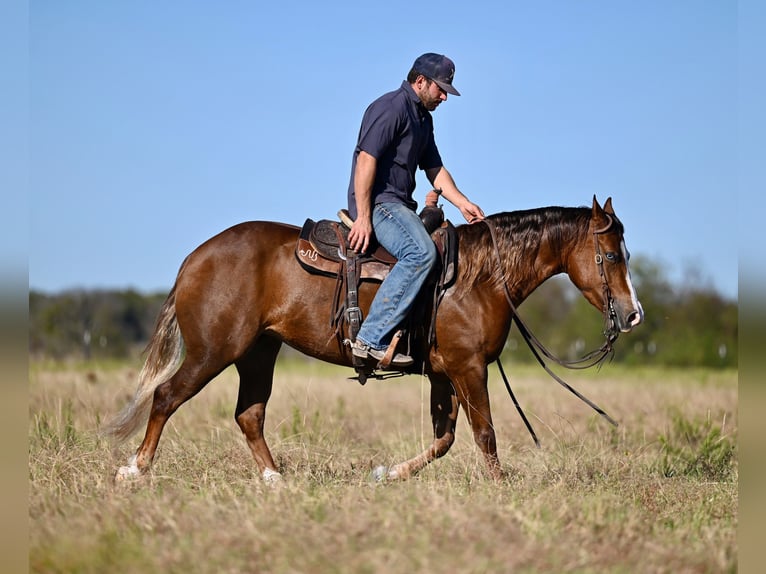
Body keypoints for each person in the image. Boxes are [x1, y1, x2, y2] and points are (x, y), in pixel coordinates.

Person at [347, 52, 485, 368]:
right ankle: (369, 338)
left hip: (400, 207)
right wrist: (364, 217)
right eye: (440, 89)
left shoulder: (423, 119)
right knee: (421, 253)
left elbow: (434, 168)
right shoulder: (391, 108)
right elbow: (366, 160)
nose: (443, 97)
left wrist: (463, 202)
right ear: (420, 81)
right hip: (381, 204)